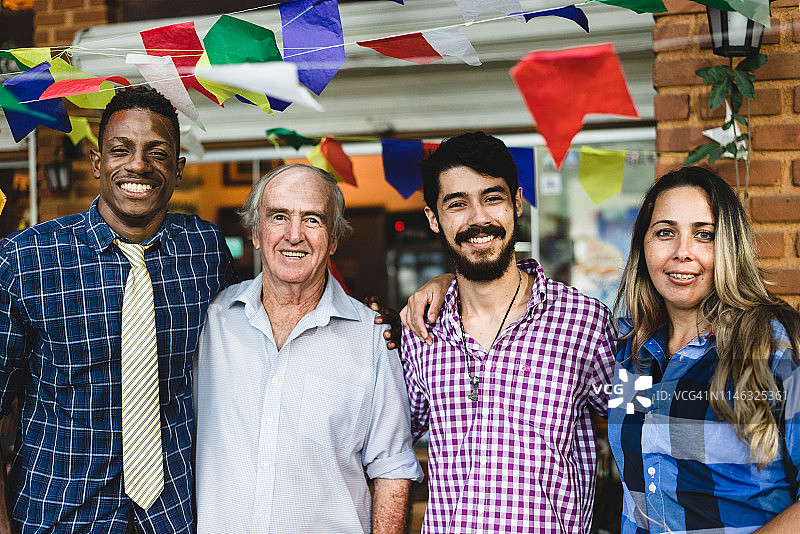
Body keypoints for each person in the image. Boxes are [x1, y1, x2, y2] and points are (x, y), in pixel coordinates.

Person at [0, 86, 239, 533]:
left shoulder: (205, 251)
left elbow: (258, 328)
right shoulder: (26, 259)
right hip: (59, 516)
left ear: (178, 169)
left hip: (174, 516)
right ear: (96, 163)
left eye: (158, 152)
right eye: (120, 150)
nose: (138, 166)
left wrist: (369, 323)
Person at [398, 132, 616, 533]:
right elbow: (388, 443)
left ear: (517, 202)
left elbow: (638, 432)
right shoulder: (420, 329)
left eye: (492, 198)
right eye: (457, 204)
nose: (478, 218)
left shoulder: (581, 321)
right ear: (433, 218)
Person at [193, 162, 423, 534]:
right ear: (255, 232)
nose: (294, 235)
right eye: (279, 216)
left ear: (333, 240)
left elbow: (392, 469)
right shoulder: (210, 321)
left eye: (312, 219)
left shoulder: (372, 337)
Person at [607, 166, 800, 533]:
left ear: (730, 246)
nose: (683, 252)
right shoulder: (631, 355)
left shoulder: (777, 345)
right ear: (642, 245)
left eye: (704, 235)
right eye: (665, 233)